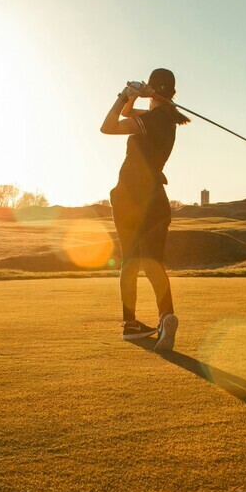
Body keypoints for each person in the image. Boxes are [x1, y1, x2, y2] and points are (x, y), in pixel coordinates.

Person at [100, 68, 190, 351]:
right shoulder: (168, 119)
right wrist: (136, 96)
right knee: (153, 262)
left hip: (130, 196)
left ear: (153, 91)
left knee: (129, 261)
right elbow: (130, 113)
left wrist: (123, 95)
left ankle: (130, 323)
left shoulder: (150, 120)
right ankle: (166, 316)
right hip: (156, 198)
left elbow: (107, 126)